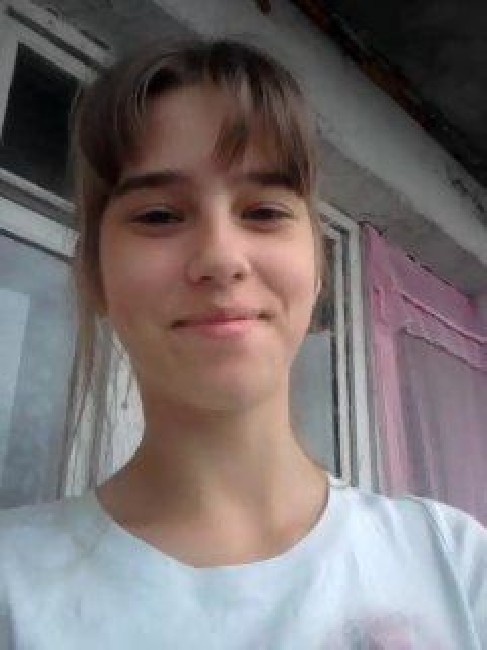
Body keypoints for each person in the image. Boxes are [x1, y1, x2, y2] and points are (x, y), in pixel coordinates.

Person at [0, 39, 485, 649]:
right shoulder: (14, 589)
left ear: (317, 268)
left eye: (264, 212)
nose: (221, 258)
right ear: (95, 274)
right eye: (158, 216)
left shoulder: (456, 566)